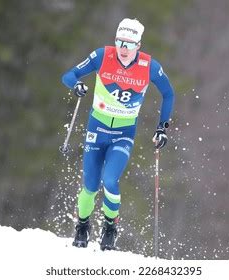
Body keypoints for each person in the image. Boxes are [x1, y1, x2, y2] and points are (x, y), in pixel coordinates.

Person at [61, 18, 174, 250]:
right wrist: (76, 85)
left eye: (129, 44)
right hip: (96, 129)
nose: (123, 48)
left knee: (110, 180)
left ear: (138, 46)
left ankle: (110, 227)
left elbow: (169, 94)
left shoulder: (149, 66)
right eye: (120, 42)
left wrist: (162, 127)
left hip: (123, 132)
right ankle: (82, 225)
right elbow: (69, 75)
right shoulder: (103, 55)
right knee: (90, 186)